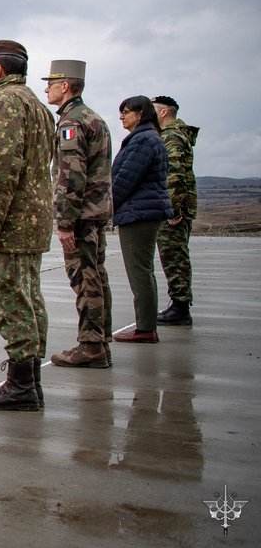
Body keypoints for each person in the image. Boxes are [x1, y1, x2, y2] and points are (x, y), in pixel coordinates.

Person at [0, 40, 54, 412]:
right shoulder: (37, 105)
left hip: (9, 222)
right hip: (31, 220)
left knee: (10, 299)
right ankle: (30, 380)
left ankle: (21, 385)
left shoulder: (4, 104)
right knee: (30, 298)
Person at [43, 60, 114, 369]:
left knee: (85, 279)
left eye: (52, 83)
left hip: (81, 215)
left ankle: (91, 345)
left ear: (66, 86)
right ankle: (99, 340)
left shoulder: (72, 122)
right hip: (94, 212)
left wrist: (66, 221)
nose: (47, 88)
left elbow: (72, 176)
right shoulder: (93, 118)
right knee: (96, 276)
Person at [110, 96, 174, 344]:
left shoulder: (143, 140)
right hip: (143, 210)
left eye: (126, 111)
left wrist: (106, 206)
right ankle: (146, 325)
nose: (121, 116)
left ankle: (146, 327)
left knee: (139, 272)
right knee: (143, 271)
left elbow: (125, 179)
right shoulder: (146, 137)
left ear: (141, 113)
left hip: (139, 213)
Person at [151, 95, 199, 326]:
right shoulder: (174, 134)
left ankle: (180, 306)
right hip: (177, 206)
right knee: (174, 255)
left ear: (163, 113)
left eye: (152, 110)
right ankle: (178, 304)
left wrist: (173, 208)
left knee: (174, 257)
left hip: (174, 209)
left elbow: (174, 173)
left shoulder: (171, 136)